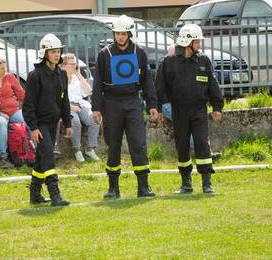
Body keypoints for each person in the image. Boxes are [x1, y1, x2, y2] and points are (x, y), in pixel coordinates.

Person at [91, 14, 159, 199]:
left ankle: (143, 187)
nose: (120, 37)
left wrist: (152, 104)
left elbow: (147, 81)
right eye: (117, 33)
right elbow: (97, 83)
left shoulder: (139, 52)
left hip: (133, 102)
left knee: (138, 143)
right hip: (111, 103)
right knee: (113, 144)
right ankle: (113, 188)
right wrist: (96, 108)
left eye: (123, 33)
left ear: (129, 33)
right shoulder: (104, 54)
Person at [155, 24, 224, 194]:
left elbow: (213, 85)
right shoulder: (168, 63)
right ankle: (186, 183)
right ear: (187, 42)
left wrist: (217, 106)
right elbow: (159, 87)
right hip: (178, 111)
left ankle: (207, 183)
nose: (199, 45)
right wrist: (158, 108)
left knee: (202, 144)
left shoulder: (203, 61)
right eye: (197, 41)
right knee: (182, 146)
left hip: (199, 110)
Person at [22, 33, 73, 207]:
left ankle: (35, 193)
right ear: (44, 53)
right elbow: (28, 105)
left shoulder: (61, 74)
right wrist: (34, 127)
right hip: (40, 124)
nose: (57, 55)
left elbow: (64, 100)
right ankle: (55, 194)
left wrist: (68, 123)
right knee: (49, 157)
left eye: (58, 51)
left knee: (41, 158)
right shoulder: (35, 75)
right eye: (53, 52)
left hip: (54, 123)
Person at [61, 53, 100, 162]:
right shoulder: (59, 79)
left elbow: (88, 91)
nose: (75, 66)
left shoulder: (76, 78)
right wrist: (70, 107)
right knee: (75, 122)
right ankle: (77, 150)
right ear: (64, 66)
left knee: (95, 119)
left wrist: (79, 75)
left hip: (80, 104)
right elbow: (57, 99)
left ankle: (90, 149)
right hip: (66, 106)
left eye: (75, 64)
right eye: (72, 64)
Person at [0, 56, 26, 168]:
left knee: (27, 121)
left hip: (14, 110)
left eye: (5, 68)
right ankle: (3, 157)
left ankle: (29, 153)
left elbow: (21, 94)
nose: (4, 71)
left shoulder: (9, 77)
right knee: (1, 123)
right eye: (1, 68)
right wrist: (0, 114)